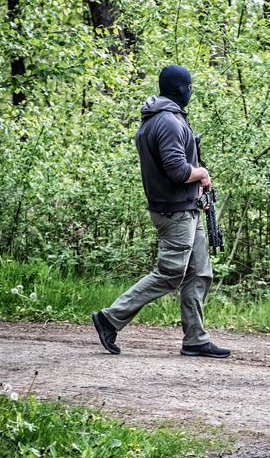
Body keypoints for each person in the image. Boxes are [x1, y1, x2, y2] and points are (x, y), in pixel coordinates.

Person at [91, 65, 230, 359]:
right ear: (181, 88)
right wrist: (201, 174)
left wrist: (199, 195)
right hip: (175, 212)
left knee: (199, 273)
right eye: (190, 86)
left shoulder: (164, 119)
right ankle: (110, 317)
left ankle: (195, 339)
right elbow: (178, 170)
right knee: (170, 274)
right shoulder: (167, 122)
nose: (192, 91)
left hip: (187, 208)